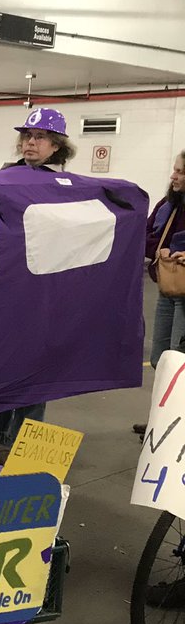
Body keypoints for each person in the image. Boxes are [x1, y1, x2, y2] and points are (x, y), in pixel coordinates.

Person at [0, 108, 75, 448]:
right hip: (5, 286)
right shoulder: (4, 178)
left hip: (43, 291)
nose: (31, 143)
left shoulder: (68, 188)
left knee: (35, 373)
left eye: (40, 137)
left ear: (57, 145)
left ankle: (26, 443)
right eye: (28, 136)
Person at [135, 150, 185, 439]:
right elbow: (146, 236)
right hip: (168, 287)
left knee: (180, 359)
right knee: (161, 357)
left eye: (180, 172)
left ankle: (175, 426)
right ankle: (160, 417)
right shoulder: (169, 205)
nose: (173, 176)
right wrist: (160, 250)